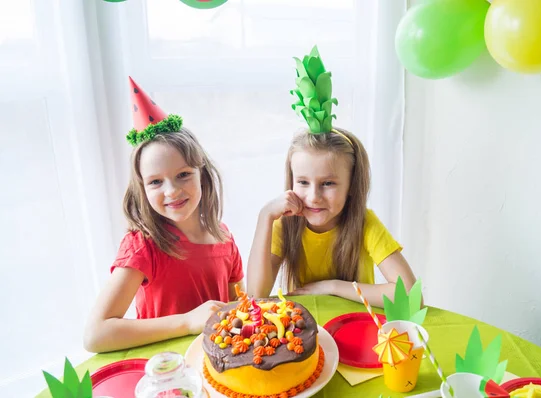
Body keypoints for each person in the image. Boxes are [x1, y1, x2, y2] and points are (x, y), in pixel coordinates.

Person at [247, 46, 417, 308]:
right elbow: (256, 296)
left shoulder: (364, 223)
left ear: (351, 185)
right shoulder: (285, 224)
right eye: (303, 182)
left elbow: (410, 296)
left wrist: (334, 287)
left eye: (328, 183)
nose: (313, 196)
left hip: (358, 327)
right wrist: (265, 217)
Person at [84, 78, 244, 353]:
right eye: (156, 182)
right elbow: (95, 335)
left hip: (217, 371)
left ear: (202, 175)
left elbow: (238, 309)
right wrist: (186, 322)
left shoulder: (224, 238)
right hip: (167, 374)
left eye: (183, 175)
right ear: (142, 188)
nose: (172, 191)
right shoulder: (143, 246)